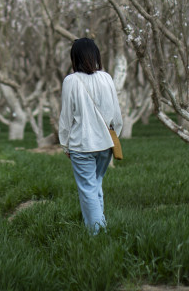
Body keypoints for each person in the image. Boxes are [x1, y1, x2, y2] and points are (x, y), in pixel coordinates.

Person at [59, 37, 123, 234]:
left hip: (82, 145)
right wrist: (114, 137)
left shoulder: (71, 81)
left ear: (74, 57)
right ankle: (98, 227)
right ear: (95, 55)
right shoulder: (107, 78)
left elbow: (66, 117)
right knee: (95, 186)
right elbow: (117, 115)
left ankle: (97, 233)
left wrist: (65, 144)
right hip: (105, 144)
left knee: (88, 190)